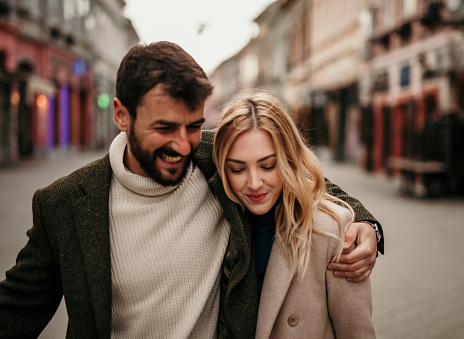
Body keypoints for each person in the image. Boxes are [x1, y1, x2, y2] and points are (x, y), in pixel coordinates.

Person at [0, 42, 382, 338]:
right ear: (121, 115)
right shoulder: (65, 205)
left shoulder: (216, 158)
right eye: (164, 127)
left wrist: (366, 224)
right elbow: (16, 310)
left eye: (193, 126)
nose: (183, 145)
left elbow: (297, 176)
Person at [213, 90, 376, 338]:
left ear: (290, 160)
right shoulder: (216, 218)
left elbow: (356, 332)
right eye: (237, 169)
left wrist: (371, 226)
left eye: (267, 165)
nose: (254, 183)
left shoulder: (331, 232)